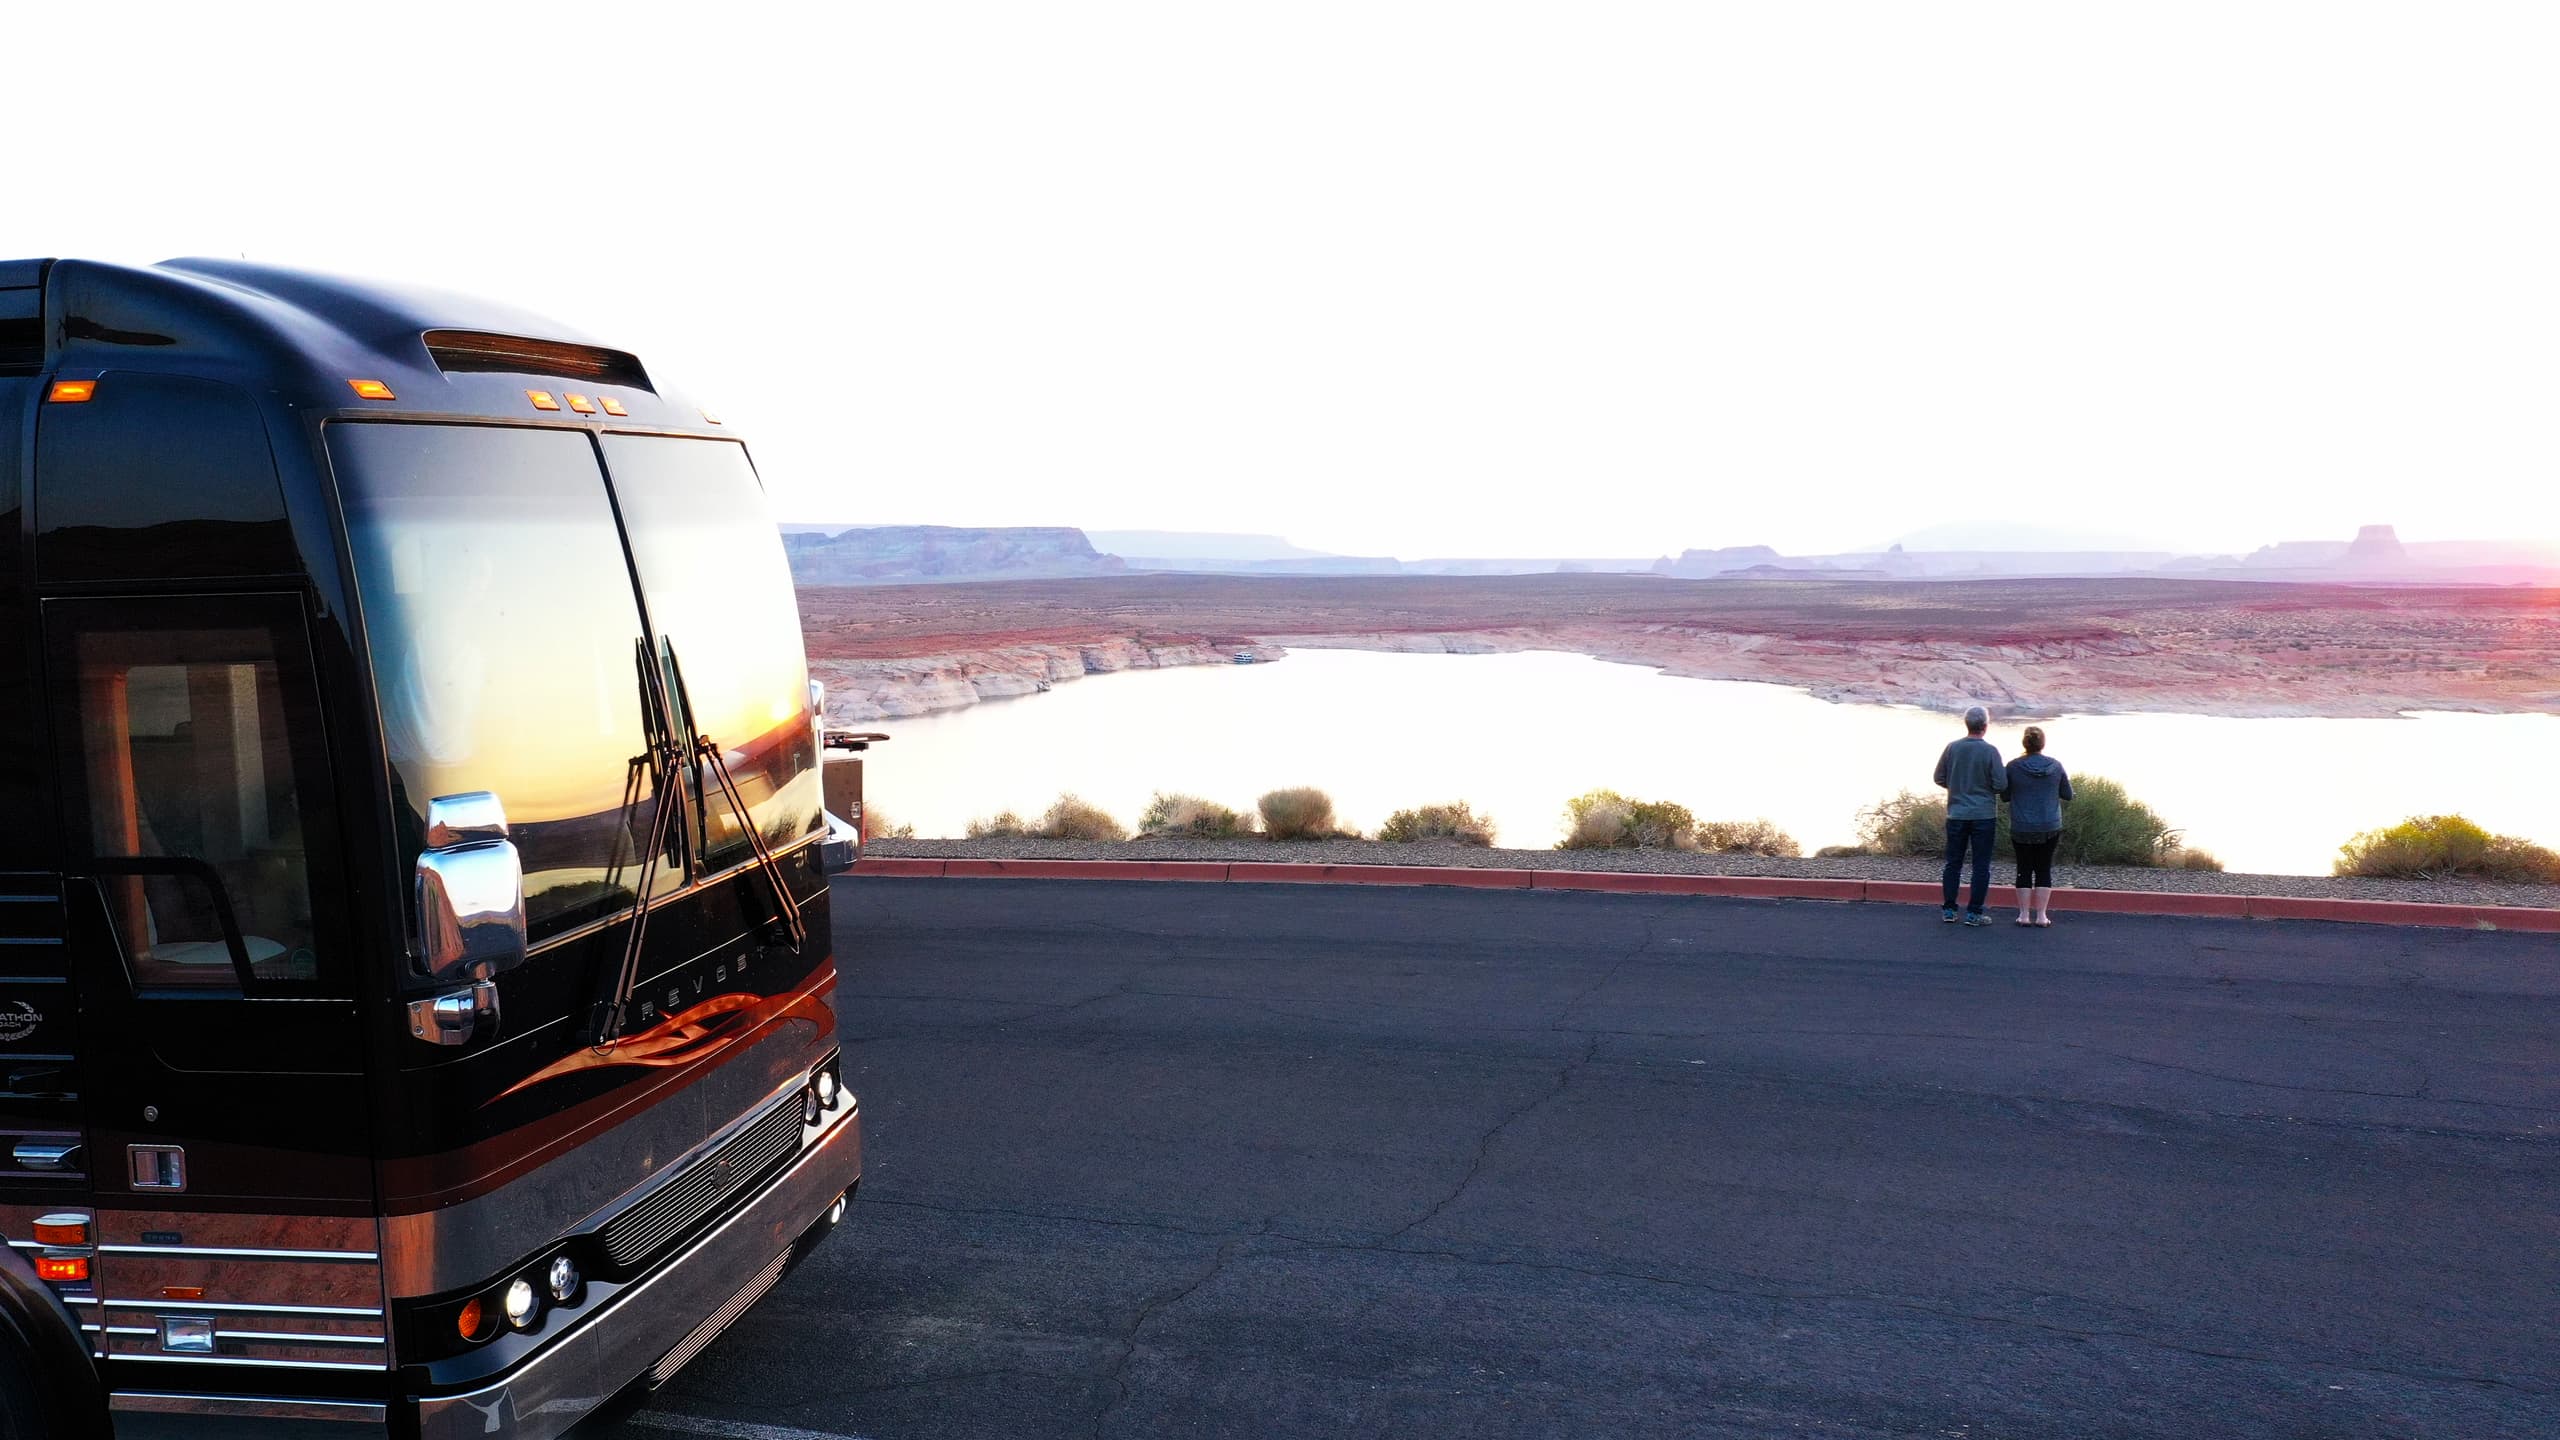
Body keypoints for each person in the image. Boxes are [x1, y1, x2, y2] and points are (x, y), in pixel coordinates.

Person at [1933, 706, 2007, 926]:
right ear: (1985, 727)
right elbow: (2001, 784)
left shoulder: (1952, 748)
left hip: (1956, 814)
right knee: (1981, 865)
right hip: (1983, 815)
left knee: (1953, 863)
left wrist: (1956, 786)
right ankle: (1974, 913)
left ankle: (1949, 910)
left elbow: (1939, 777)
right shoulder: (1990, 751)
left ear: (1967, 724)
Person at [2003, 725, 2073, 927]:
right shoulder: (2056, 766)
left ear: (2024, 743)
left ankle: (2024, 915)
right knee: (2044, 868)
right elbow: (2067, 794)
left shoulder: (2013, 767)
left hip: (2021, 826)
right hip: (2049, 825)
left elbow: (2005, 796)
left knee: (2023, 868)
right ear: (2043, 744)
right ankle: (2041, 916)